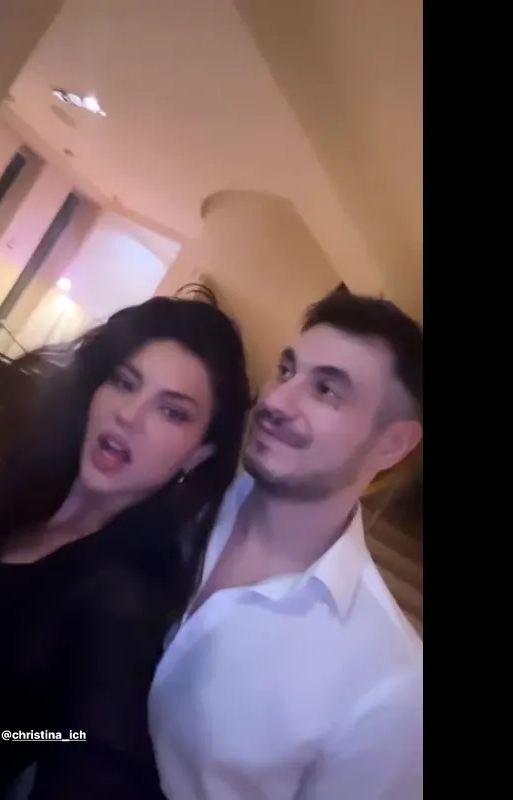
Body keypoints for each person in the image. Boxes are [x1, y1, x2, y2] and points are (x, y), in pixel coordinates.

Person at [148, 288, 424, 799]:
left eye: (326, 390)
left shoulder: (390, 687)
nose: (274, 400)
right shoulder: (176, 498)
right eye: (286, 370)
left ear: (392, 444)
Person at [0, 296, 251, 800]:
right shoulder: (19, 488)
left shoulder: (122, 598)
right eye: (124, 382)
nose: (130, 414)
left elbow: (80, 744)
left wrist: (4, 733)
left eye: (172, 411)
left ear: (199, 455)